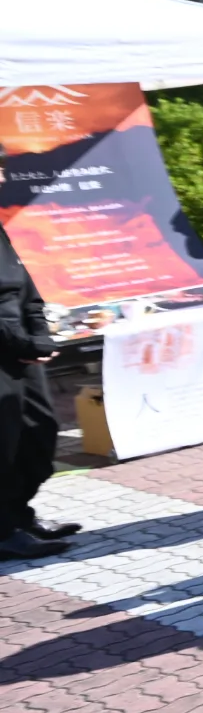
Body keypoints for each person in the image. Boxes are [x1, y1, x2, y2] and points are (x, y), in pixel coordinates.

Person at [0, 219, 70, 560]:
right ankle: (3, 533)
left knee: (40, 434)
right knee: (3, 444)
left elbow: (28, 292)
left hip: (22, 351)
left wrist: (41, 335)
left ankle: (18, 517)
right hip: (7, 350)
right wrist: (26, 343)